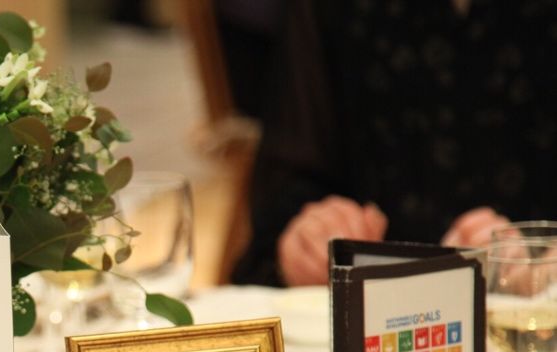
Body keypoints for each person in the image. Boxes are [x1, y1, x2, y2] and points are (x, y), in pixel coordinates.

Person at [231, 0, 557, 287]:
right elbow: (287, 185)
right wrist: (304, 242)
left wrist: (541, 267)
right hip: (362, 313)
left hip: (533, 316)